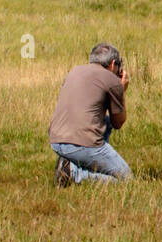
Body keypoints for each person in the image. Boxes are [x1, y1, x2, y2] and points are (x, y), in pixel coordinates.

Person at [48, 42, 132, 187]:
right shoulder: (111, 80)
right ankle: (74, 172)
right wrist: (121, 91)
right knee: (126, 180)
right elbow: (119, 122)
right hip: (81, 144)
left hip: (56, 141)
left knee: (105, 120)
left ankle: (69, 162)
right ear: (113, 64)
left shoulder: (74, 71)